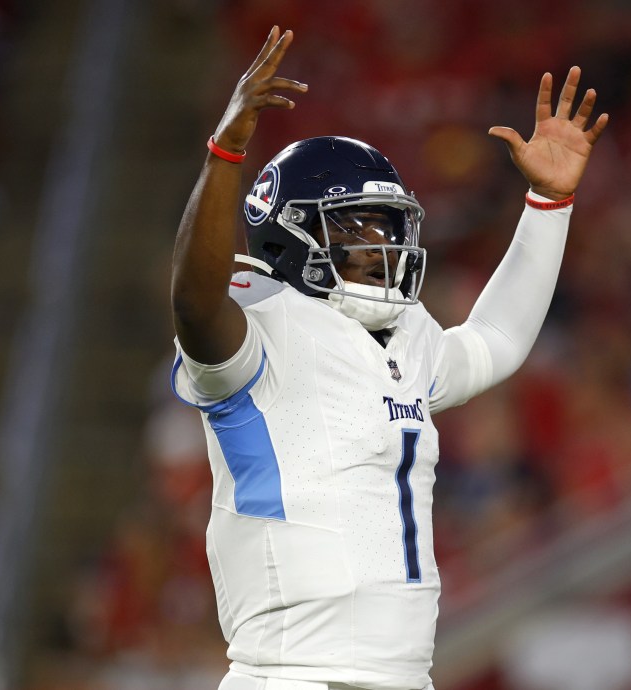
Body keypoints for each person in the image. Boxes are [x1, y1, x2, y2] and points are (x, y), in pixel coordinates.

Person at [169, 26, 608, 690]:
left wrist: (548, 206)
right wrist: (226, 152)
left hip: (403, 676)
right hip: (288, 677)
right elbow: (195, 305)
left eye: (387, 222)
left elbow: (495, 340)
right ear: (288, 232)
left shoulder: (407, 334)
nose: (380, 241)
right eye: (354, 223)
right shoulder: (258, 333)